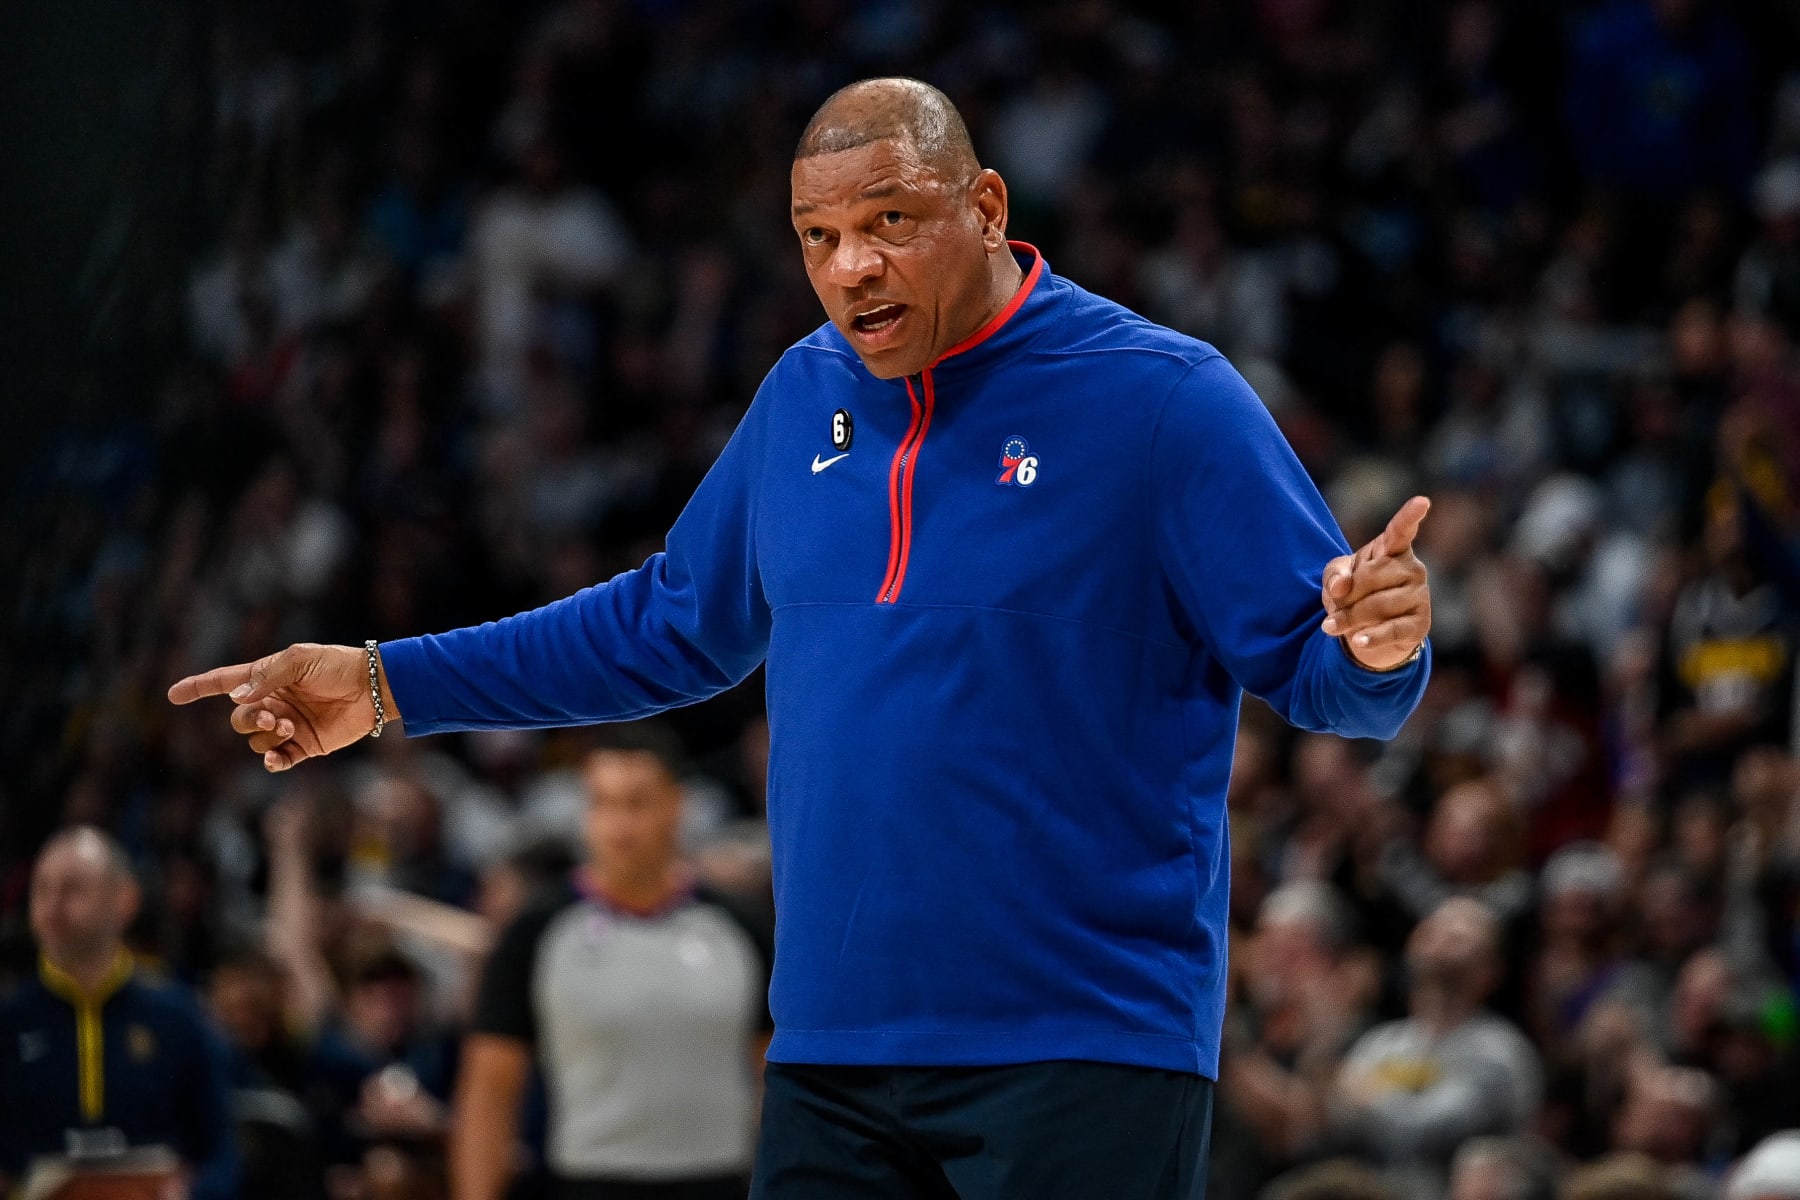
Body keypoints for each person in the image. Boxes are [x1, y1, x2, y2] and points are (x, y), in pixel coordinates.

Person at [169, 78, 1434, 1199]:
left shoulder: (1167, 400)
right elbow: (665, 624)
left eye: (890, 222)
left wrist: (1378, 651)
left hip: (1083, 1045)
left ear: (986, 207)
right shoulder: (801, 395)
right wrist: (387, 683)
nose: (852, 268)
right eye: (818, 237)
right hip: (832, 1057)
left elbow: (1324, 672)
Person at [452, 738, 772, 1200]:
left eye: (637, 803)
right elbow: (490, 1092)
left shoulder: (739, 926)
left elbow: (775, 1080)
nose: (619, 825)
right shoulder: (536, 930)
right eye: (603, 803)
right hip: (588, 1185)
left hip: (720, 1184)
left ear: (677, 805)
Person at [0, 827, 240, 1199]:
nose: (52, 906)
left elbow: (222, 1153)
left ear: (124, 900)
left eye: (73, 889)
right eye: (42, 889)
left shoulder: (178, 1017)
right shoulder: (9, 1022)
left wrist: (192, 1193)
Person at [1333, 898, 1541, 1200]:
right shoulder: (1382, 1043)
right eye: (1434, 930)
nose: (1445, 939)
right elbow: (1336, 1123)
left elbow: (1424, 1131)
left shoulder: (1499, 1051)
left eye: (1462, 936)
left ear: (1490, 970)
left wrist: (1365, 1096)